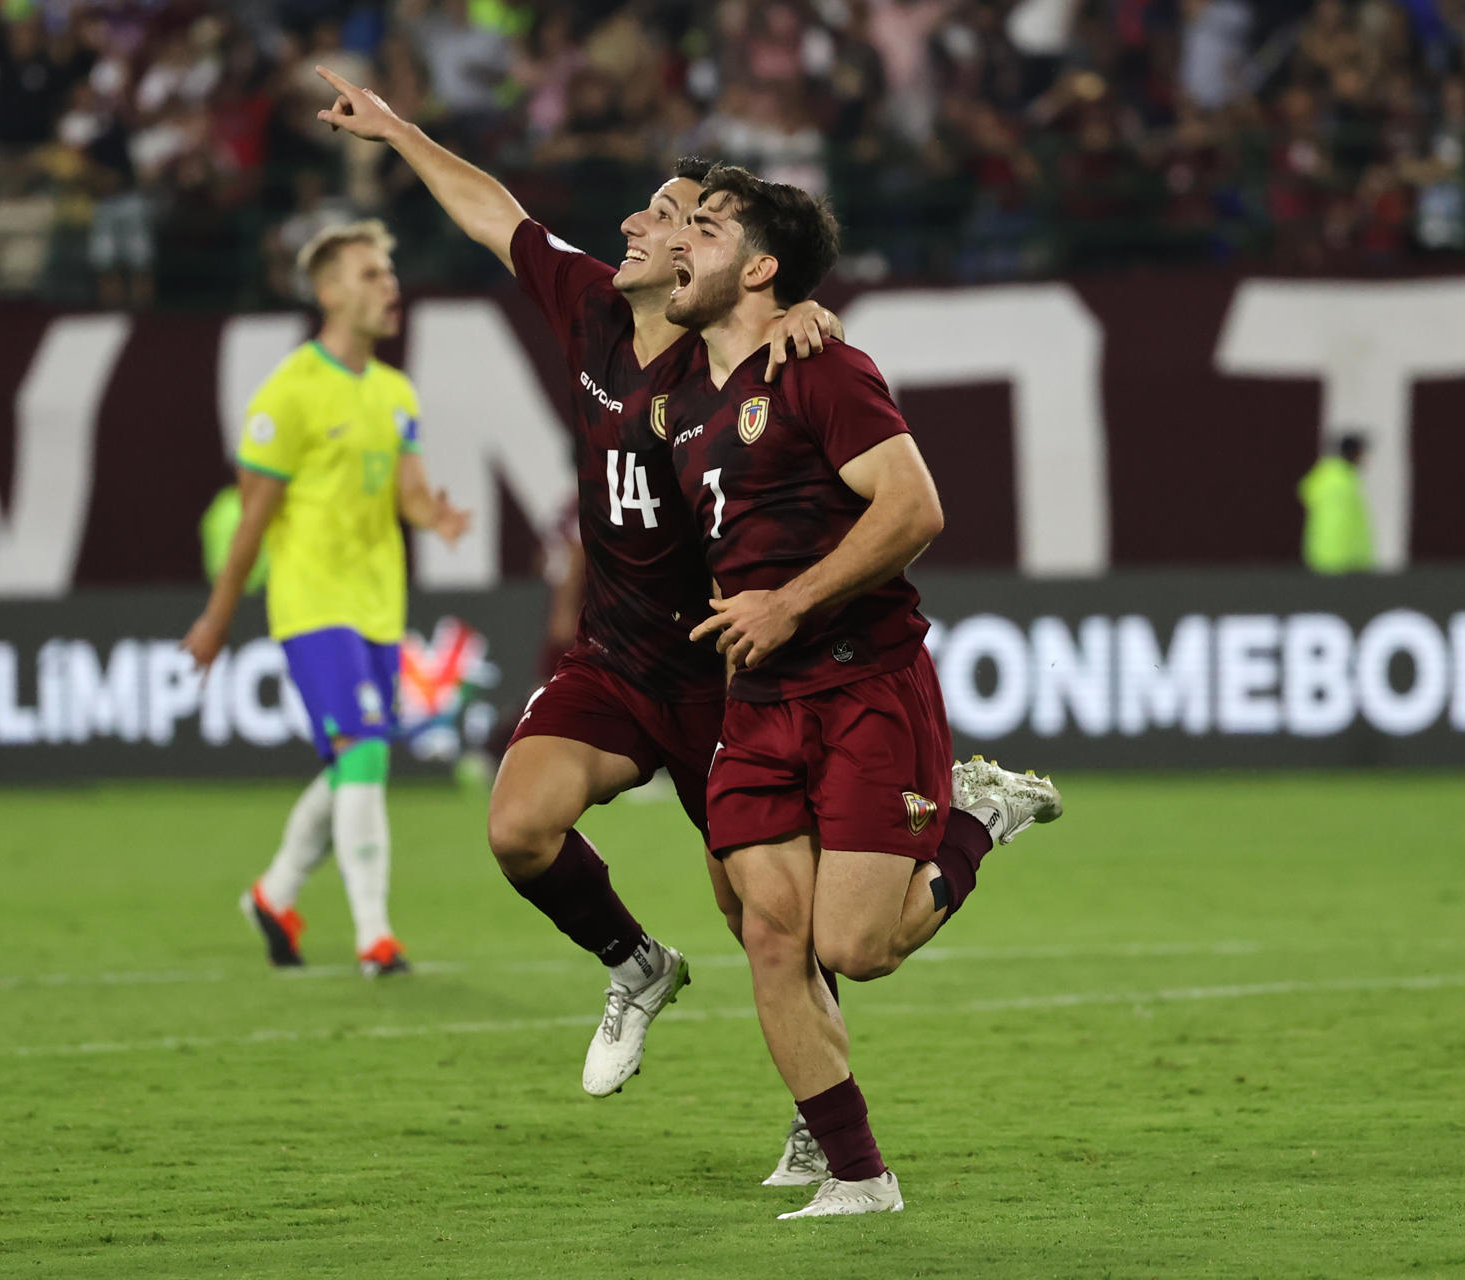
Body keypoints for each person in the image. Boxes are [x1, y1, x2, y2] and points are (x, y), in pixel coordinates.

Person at [316, 66, 997, 1188]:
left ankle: (814, 1120)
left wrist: (815, 316)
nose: (640, 223)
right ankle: (634, 962)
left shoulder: (728, 345)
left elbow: (800, 349)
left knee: (767, 918)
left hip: (725, 670)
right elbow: (498, 213)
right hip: (619, 656)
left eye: (672, 214)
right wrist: (395, 132)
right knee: (518, 827)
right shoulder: (591, 307)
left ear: (706, 253)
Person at [657, 164, 1062, 1218]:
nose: (674, 239)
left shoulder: (823, 368)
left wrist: (788, 602)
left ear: (760, 267)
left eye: (702, 225)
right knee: (764, 927)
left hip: (863, 685)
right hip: (756, 701)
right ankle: (858, 1172)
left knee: (855, 947)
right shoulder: (682, 388)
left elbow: (916, 508)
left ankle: (977, 814)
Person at [181, 219, 469, 979]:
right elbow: (252, 520)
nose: (390, 286)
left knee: (355, 759)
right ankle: (376, 936)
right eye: (372, 274)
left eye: (390, 272)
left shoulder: (395, 391)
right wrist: (217, 617)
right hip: (312, 603)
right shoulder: (289, 394)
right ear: (328, 292)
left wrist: (430, 514)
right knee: (366, 751)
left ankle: (274, 896)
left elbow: (407, 491)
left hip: (377, 602)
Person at [1299, 434, 1375, 574]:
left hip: (1333, 558)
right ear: (1353, 453)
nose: (1364, 458)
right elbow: (1339, 524)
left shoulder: (1337, 478)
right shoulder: (1338, 482)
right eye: (1361, 453)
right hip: (1338, 562)